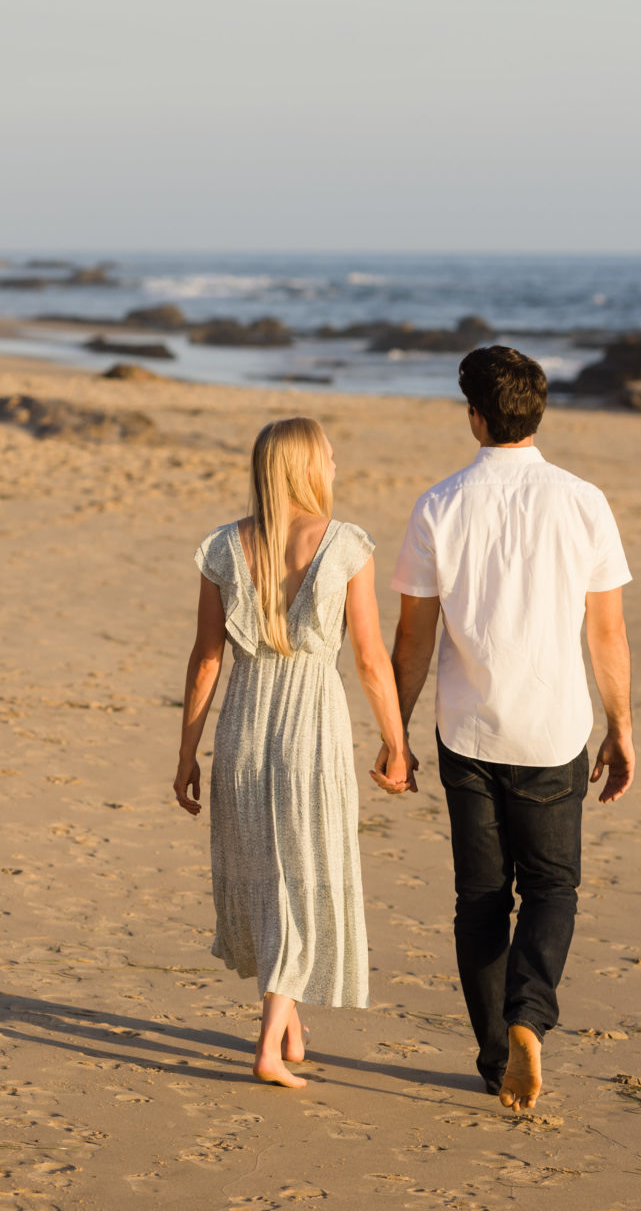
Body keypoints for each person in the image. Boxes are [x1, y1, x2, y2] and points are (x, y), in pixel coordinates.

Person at [380, 346, 634, 1113]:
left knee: (481, 899)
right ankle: (530, 1016)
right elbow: (607, 634)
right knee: (553, 887)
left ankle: (496, 1059)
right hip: (553, 729)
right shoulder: (582, 500)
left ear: (475, 417)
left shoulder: (439, 505)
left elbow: (413, 641)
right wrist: (621, 727)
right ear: (536, 413)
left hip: (467, 734)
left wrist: (394, 736)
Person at [174, 416, 411, 1089]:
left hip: (243, 727)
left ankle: (291, 1027)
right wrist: (396, 744)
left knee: (268, 873)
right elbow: (369, 659)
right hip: (312, 726)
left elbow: (204, 662)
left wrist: (187, 751)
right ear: (306, 466)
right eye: (329, 457)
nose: (336, 467)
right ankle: (268, 1049)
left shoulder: (224, 547)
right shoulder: (343, 545)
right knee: (303, 876)